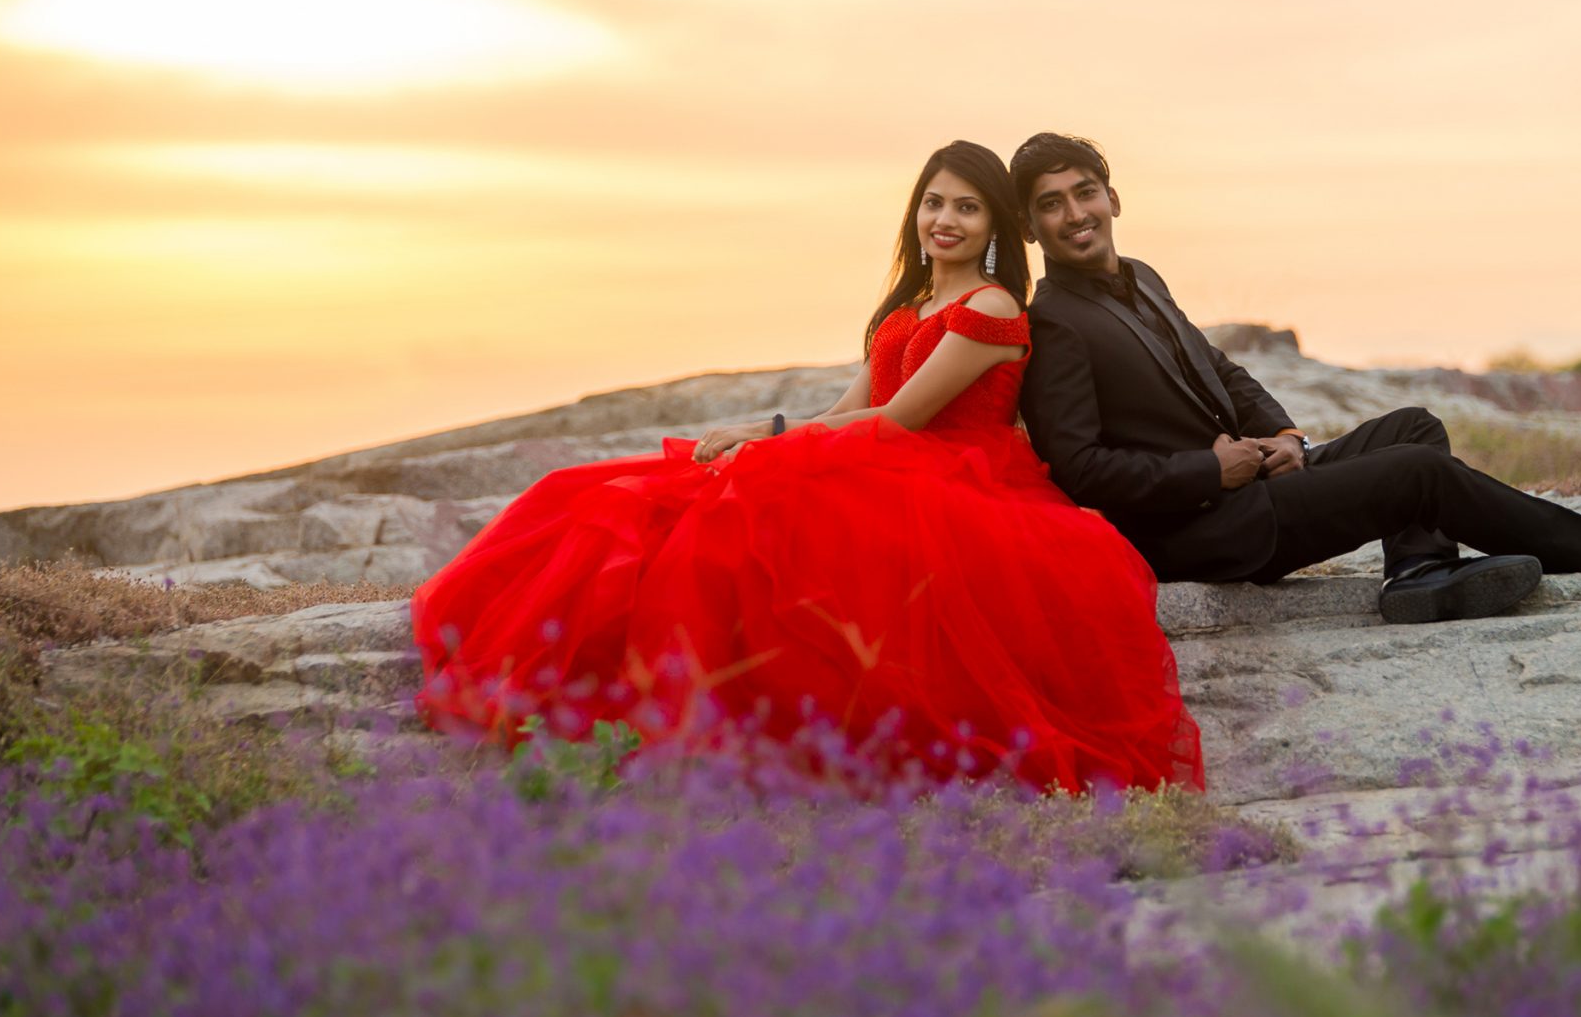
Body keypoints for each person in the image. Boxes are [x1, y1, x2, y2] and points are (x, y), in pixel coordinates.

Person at [413, 140, 1203, 792]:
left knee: (735, 526)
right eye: (934, 202)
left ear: (995, 223)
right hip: (886, 462)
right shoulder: (905, 310)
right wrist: (759, 429)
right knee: (605, 495)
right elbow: (844, 411)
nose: (945, 219)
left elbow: (902, 418)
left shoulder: (993, 307)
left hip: (953, 478)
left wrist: (777, 444)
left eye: (966, 206)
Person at [1009, 132, 1581, 623]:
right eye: (1052, 205)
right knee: (1417, 472)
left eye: (1084, 192)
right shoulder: (1054, 323)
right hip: (1206, 531)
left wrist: (1282, 432)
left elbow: (1222, 369)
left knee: (1415, 426)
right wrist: (1208, 467)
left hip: (1253, 487)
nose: (1075, 213)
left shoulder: (1141, 276)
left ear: (1113, 197)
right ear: (1031, 228)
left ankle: (1418, 576)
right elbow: (1081, 471)